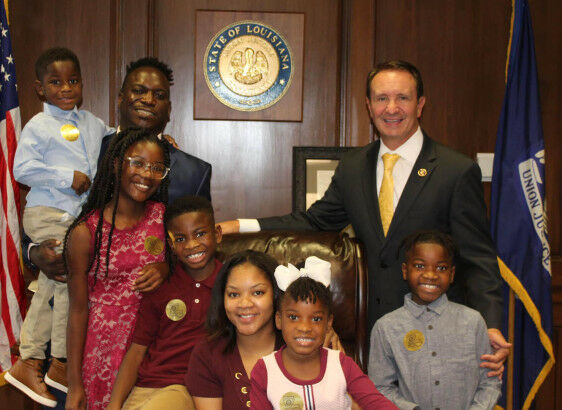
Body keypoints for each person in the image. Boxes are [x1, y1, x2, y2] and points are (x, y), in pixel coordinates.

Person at [219, 60, 510, 375]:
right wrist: (240, 225)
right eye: (382, 98)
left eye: (403, 98)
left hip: (437, 333)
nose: (392, 108)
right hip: (371, 333)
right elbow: (314, 222)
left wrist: (490, 324)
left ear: (421, 104)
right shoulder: (353, 166)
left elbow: (478, 259)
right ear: (369, 106)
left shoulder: (456, 170)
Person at [23, 56, 211, 283]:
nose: (148, 100)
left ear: (169, 109)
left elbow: (201, 244)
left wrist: (168, 267)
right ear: (121, 98)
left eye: (159, 96)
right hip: (89, 300)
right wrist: (34, 253)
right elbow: (42, 212)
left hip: (160, 303)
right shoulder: (84, 152)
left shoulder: (194, 173)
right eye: (139, 91)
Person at [6, 47, 114, 407]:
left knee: (62, 280)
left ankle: (40, 361)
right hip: (48, 210)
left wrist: (160, 142)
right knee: (68, 278)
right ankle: (55, 361)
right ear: (40, 88)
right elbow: (22, 169)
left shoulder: (91, 123)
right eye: (55, 82)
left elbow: (115, 138)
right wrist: (67, 176)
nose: (66, 88)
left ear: (82, 83)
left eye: (72, 81)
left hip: (74, 217)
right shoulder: (40, 125)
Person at [64, 128, 171, 410]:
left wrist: (167, 268)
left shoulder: (164, 218)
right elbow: (76, 311)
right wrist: (74, 383)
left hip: (154, 348)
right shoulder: (85, 232)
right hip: (104, 353)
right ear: (116, 164)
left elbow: (193, 265)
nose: (147, 174)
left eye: (157, 168)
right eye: (137, 163)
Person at [185, 251, 344, 409]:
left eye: (258, 292)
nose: (245, 303)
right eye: (234, 294)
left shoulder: (311, 344)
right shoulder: (207, 354)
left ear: (276, 296)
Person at [106, 196, 223, 409]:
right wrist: (113, 406)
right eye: (180, 239)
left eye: (200, 234)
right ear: (170, 245)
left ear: (217, 234)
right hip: (146, 387)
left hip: (185, 388)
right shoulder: (161, 285)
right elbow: (137, 351)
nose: (192, 245)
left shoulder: (231, 286)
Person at [368, 231, 501, 409]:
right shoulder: (386, 327)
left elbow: (490, 383)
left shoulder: (473, 322)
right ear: (405, 270)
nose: (431, 274)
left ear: (452, 274)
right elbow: (380, 388)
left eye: (441, 268)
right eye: (420, 266)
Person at [250, 257, 396, 409]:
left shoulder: (343, 365)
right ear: (279, 320)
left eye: (316, 319)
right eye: (293, 317)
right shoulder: (265, 370)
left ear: (328, 323)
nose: (305, 328)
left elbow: (377, 403)